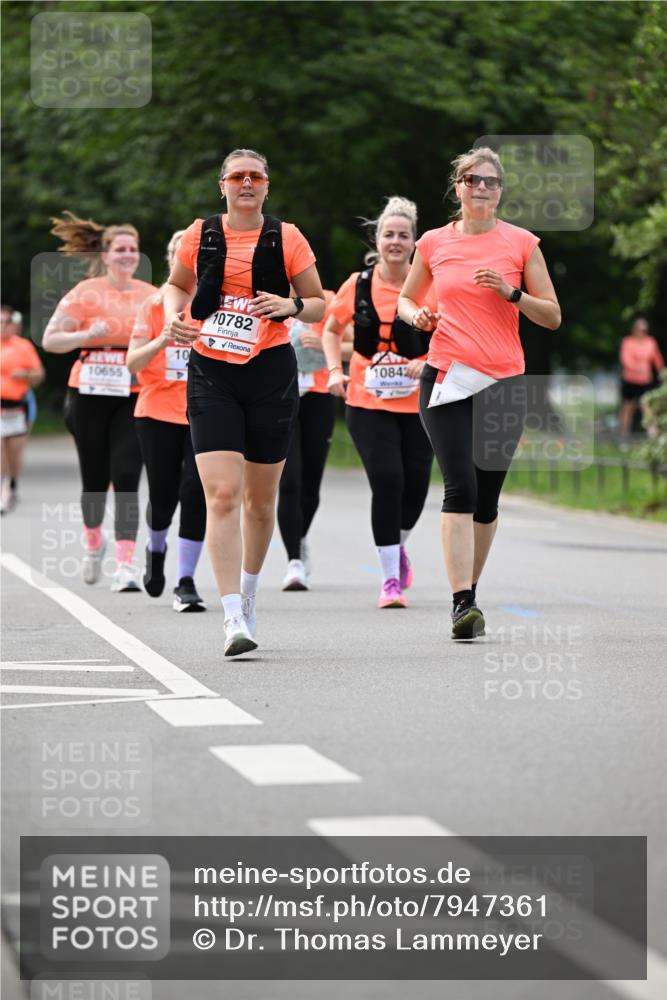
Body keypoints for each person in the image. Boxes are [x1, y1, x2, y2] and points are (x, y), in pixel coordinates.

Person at [163, 148, 325, 656]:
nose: (247, 184)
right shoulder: (201, 234)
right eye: (238, 177)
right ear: (223, 186)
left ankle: (250, 595)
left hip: (270, 373)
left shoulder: (287, 236)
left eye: (255, 176)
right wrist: (175, 317)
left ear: (266, 186)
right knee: (223, 495)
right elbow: (176, 285)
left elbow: (319, 302)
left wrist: (290, 305)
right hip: (211, 372)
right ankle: (232, 615)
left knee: (260, 503)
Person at [398, 146, 561, 639]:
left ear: (501, 189)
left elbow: (552, 316)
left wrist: (510, 293)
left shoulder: (521, 244)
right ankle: (461, 603)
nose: (481, 188)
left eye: (490, 181)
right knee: (460, 486)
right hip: (446, 374)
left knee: (487, 499)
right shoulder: (432, 243)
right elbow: (407, 298)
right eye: (472, 180)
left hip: (504, 381)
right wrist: (417, 316)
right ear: (458, 188)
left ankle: (469, 590)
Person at [323, 197, 435, 609]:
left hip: (420, 402)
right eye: (389, 234)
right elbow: (332, 330)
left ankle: (399, 545)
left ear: (415, 242)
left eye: (404, 235)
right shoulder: (359, 284)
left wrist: (423, 362)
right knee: (387, 481)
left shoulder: (430, 285)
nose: (395, 241)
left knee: (417, 487)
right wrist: (335, 371)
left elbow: (448, 336)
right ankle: (390, 580)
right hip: (367, 401)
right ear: (377, 238)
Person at [43, 213, 156, 590]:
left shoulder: (150, 295)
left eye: (133, 250)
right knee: (94, 480)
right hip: (88, 392)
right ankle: (95, 543)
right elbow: (50, 340)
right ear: (105, 255)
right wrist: (87, 333)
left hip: (133, 393)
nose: (127, 255)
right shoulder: (85, 292)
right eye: (120, 249)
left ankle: (125, 564)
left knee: (126, 475)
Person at [126, 231, 207, 612]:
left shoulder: (214, 304)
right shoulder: (153, 306)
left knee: (196, 493)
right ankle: (155, 549)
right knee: (163, 498)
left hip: (204, 411)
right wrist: (163, 339)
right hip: (157, 411)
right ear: (172, 262)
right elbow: (132, 363)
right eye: (179, 256)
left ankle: (185, 580)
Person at [277, 290, 353, 590]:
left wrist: (324, 345)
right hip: (280, 397)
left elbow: (355, 345)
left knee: (311, 485)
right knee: (290, 481)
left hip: (318, 398)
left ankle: (300, 537)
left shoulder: (326, 299)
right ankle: (294, 561)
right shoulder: (266, 296)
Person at [0, 306, 45, 514]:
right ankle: (4, 487)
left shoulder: (23, 346)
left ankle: (13, 483)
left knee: (14, 451)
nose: (3, 326)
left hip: (17, 407)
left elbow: (39, 376)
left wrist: (25, 376)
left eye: (6, 322)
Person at [619, 317, 665, 438]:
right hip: (630, 380)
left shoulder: (651, 342)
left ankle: (653, 436)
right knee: (628, 408)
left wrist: (662, 373)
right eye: (639, 329)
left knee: (647, 407)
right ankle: (624, 436)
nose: (642, 332)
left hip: (645, 381)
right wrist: (637, 368)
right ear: (634, 329)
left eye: (644, 330)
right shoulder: (627, 342)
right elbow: (625, 360)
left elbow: (657, 359)